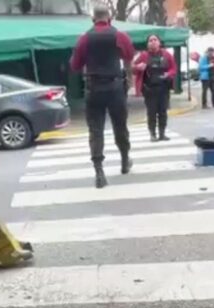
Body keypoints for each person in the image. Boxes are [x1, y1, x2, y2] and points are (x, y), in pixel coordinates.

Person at [70, 5, 136, 189]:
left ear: (93, 19)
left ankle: (99, 172)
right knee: (120, 126)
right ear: (109, 18)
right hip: (115, 87)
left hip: (94, 89)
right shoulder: (119, 35)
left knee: (96, 131)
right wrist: (128, 75)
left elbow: (75, 65)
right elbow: (129, 55)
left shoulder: (84, 38)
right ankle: (124, 160)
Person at [133, 35, 177, 142]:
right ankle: (152, 134)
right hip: (149, 89)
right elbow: (133, 67)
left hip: (164, 88)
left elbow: (174, 68)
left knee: (163, 112)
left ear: (159, 42)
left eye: (155, 40)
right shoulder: (144, 55)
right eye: (150, 40)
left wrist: (168, 74)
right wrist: (138, 67)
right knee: (151, 112)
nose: (153, 42)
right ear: (147, 44)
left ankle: (162, 133)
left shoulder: (167, 54)